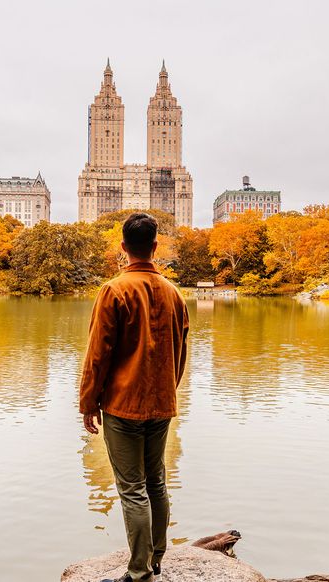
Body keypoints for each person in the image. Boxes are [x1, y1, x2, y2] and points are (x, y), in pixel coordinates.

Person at [80, 212, 190, 582]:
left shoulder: (114, 290)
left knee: (132, 489)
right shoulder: (174, 294)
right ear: (155, 246)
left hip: (123, 405)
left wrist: (88, 403)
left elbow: (98, 355)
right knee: (156, 481)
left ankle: (140, 572)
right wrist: (168, 391)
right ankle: (156, 557)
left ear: (123, 247)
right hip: (161, 404)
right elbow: (180, 354)